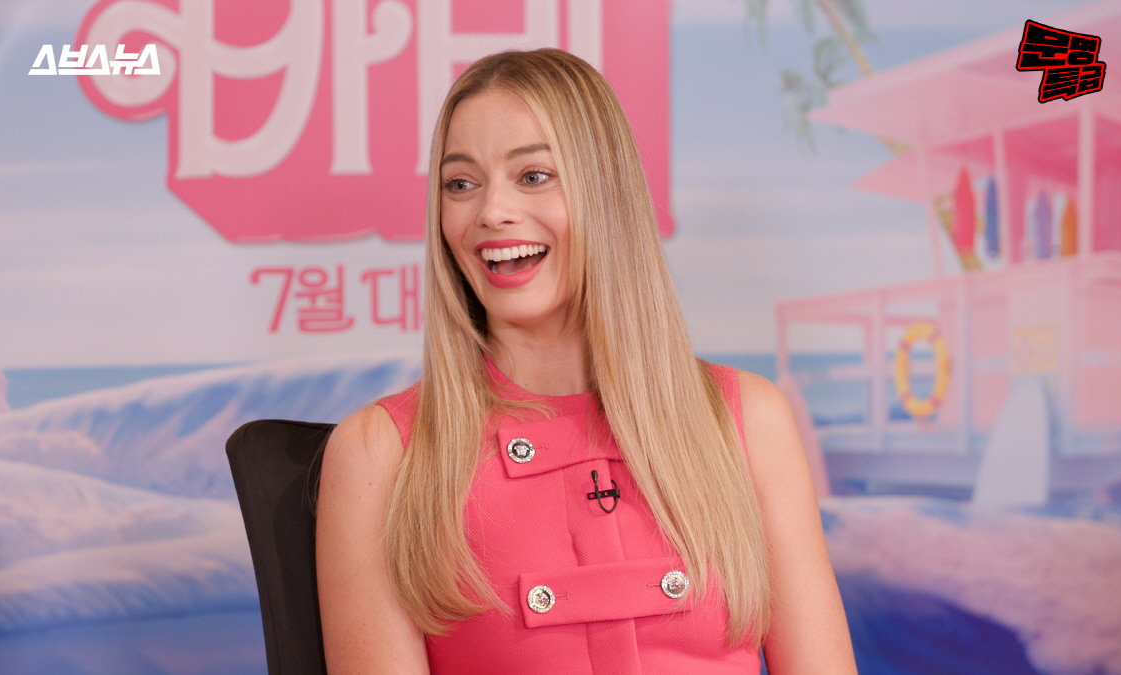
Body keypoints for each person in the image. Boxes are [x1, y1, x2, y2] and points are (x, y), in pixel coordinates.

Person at [315, 48, 856, 674]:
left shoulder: (749, 421)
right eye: (461, 184)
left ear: (606, 194)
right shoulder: (381, 456)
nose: (491, 212)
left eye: (533, 176)